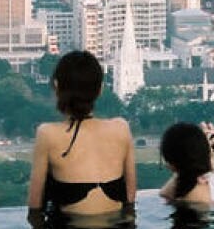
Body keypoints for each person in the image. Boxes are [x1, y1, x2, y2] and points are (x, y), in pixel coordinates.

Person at [27, 51, 137, 217]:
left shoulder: (47, 134)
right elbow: (130, 197)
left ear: (57, 86)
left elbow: (35, 205)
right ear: (100, 89)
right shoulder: (121, 128)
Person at [158, 122, 214, 206]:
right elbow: (212, 179)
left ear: (171, 166)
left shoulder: (186, 196)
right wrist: (204, 151)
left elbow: (164, 194)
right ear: (209, 153)